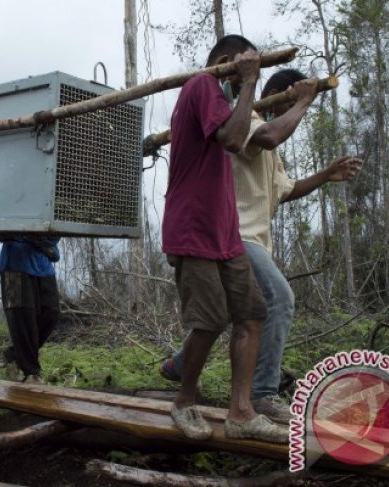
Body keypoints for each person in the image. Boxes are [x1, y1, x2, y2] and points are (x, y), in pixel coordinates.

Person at [160, 69, 363, 420]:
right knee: (278, 299)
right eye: (291, 95)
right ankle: (262, 393)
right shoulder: (249, 118)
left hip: (247, 239)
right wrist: (303, 100)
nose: (297, 103)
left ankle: (181, 363)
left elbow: (284, 190)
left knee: (231, 315)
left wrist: (325, 175)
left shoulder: (268, 141)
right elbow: (266, 136)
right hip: (235, 232)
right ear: (278, 94)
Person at [162, 34, 288, 443]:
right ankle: (183, 402)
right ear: (226, 62)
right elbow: (233, 139)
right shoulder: (201, 85)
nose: (243, 84)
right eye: (242, 69)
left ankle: (241, 412)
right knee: (210, 319)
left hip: (225, 231)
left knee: (251, 314)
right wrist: (249, 81)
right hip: (193, 226)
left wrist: (247, 89)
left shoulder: (225, 101)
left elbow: (243, 136)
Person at [0, 234, 60, 384]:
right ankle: (32, 373)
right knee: (22, 319)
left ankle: (15, 354)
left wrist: (39, 240)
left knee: (52, 314)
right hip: (14, 265)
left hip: (43, 266)